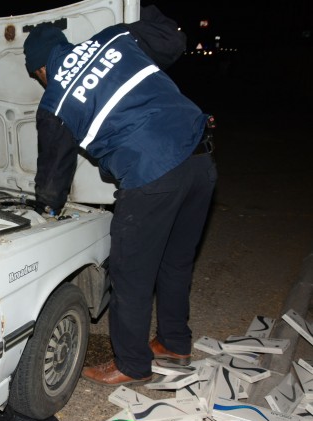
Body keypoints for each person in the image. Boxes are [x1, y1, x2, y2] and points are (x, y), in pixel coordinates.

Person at [23, 6, 217, 385]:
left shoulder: (56, 103)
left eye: (37, 78)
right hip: (202, 160)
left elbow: (53, 179)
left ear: (40, 70)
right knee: (175, 262)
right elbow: (174, 38)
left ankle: (131, 364)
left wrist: (42, 212)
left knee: (129, 274)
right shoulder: (115, 38)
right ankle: (175, 343)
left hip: (153, 177)